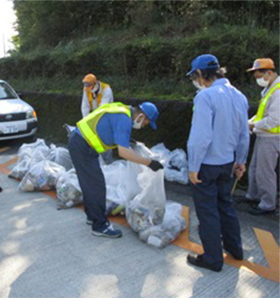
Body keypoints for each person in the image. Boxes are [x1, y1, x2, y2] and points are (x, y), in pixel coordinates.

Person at [186, 54, 249, 272]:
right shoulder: (239, 96)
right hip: (228, 163)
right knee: (226, 205)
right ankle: (236, 249)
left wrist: (193, 167)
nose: (196, 80)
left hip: (207, 165)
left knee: (208, 211)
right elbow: (244, 134)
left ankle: (212, 259)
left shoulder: (205, 97)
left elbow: (200, 137)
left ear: (201, 74)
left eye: (195, 76)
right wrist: (241, 161)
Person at [68, 101, 164, 238]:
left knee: (90, 183)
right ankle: (99, 226)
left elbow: (110, 127)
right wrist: (148, 163)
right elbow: (123, 153)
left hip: (81, 144)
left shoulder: (123, 111)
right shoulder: (124, 119)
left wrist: (126, 140)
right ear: (141, 116)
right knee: (96, 185)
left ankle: (92, 216)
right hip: (82, 146)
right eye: (145, 123)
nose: (143, 126)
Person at [244, 58, 280, 215]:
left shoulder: (278, 91)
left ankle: (267, 204)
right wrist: (248, 122)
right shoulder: (269, 90)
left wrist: (253, 126)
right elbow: (261, 114)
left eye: (259, 76)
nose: (258, 80)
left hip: (272, 138)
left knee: (265, 171)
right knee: (254, 168)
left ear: (269, 73)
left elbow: (274, 120)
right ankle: (253, 196)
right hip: (263, 136)